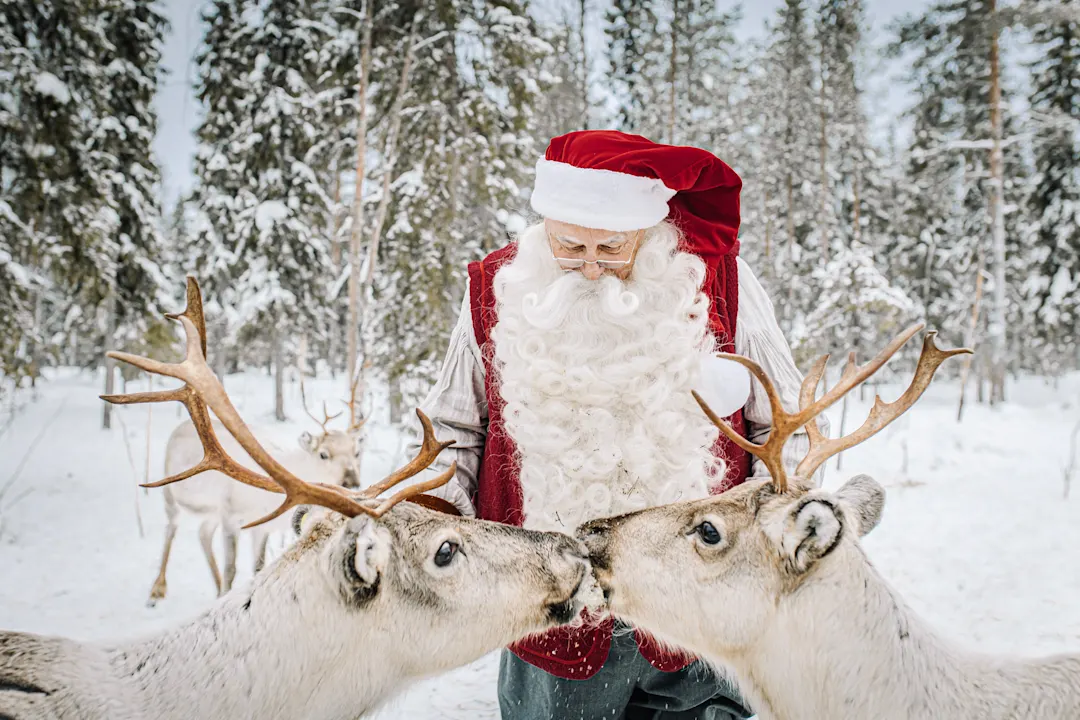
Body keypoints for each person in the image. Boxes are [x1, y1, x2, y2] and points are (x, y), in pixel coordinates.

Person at [407, 130, 827, 719]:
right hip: (552, 618)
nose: (590, 269)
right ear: (545, 225)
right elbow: (452, 428)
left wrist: (777, 521)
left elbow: (787, 422)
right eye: (570, 247)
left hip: (701, 614)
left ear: (649, 234)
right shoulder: (496, 290)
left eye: (611, 249)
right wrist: (433, 522)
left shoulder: (722, 281)